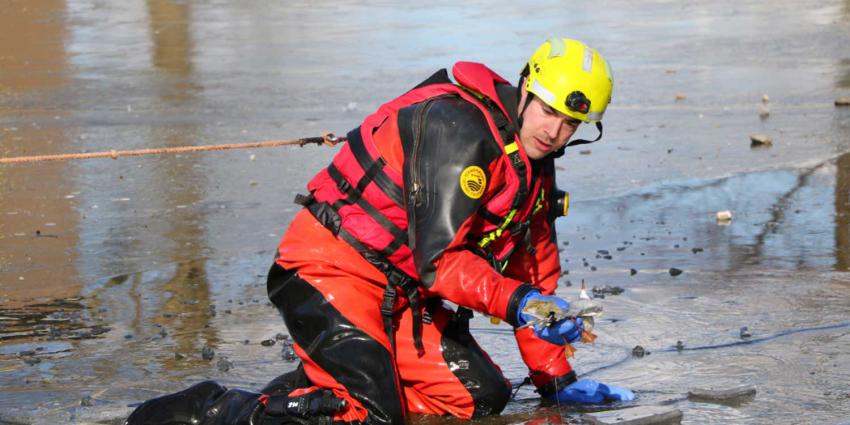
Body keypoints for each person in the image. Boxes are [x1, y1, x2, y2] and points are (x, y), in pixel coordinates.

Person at [125, 37, 633, 425]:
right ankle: (208, 410)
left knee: (480, 398)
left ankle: (335, 379)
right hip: (329, 269)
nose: (555, 132)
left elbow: (534, 271)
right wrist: (520, 303)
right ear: (526, 89)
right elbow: (440, 263)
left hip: (399, 295)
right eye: (549, 112)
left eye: (571, 124)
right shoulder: (458, 133)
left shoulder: (533, 169)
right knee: (370, 418)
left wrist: (555, 378)